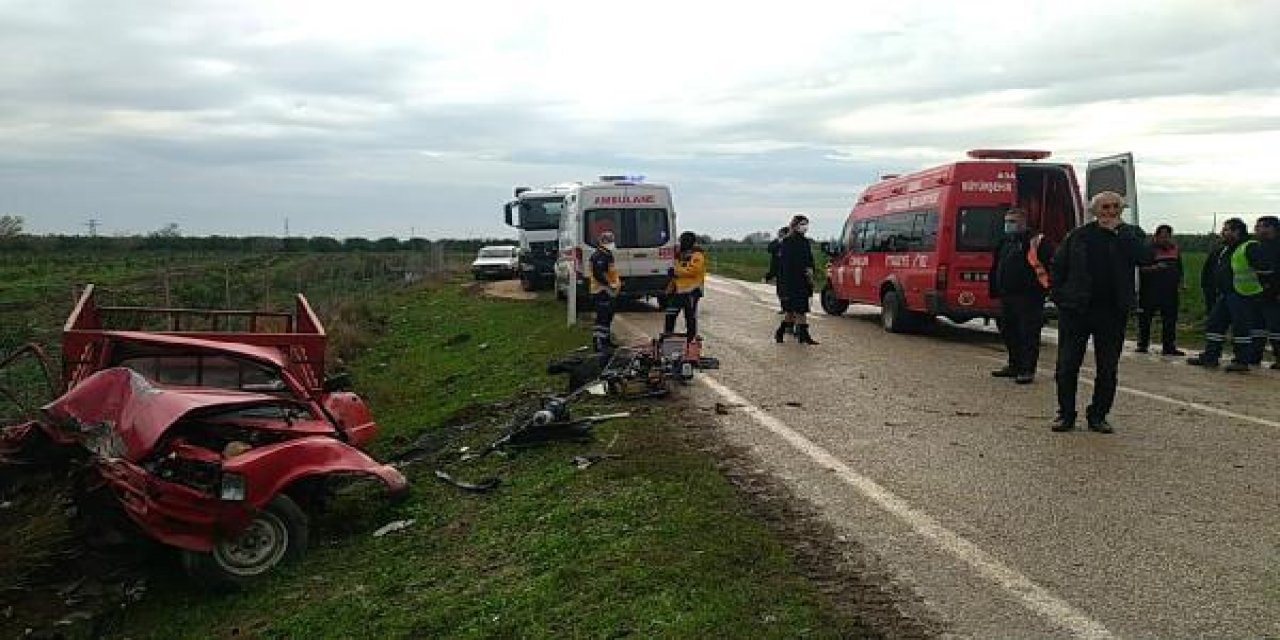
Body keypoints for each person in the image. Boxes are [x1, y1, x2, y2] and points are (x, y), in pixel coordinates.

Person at [1049, 191, 1153, 433]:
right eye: (1105, 207)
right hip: (1076, 310)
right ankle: (1065, 414)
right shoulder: (1078, 235)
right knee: (1067, 365)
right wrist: (1060, 296)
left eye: (1116, 207)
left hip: (1112, 312)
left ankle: (1098, 415)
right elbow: (1058, 266)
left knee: (1107, 368)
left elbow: (1145, 258)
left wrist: (1121, 233)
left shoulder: (1131, 234)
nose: (1111, 212)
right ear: (1095, 211)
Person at [1188, 218, 1267, 372]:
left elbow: (1265, 269)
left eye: (1226, 230)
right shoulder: (1226, 249)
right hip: (1227, 294)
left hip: (1243, 294)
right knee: (1215, 324)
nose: (1222, 233)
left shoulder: (1249, 247)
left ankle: (1241, 361)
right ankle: (1211, 356)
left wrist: (1264, 287)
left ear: (1236, 231)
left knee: (1241, 328)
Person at [988, 208, 1053, 384]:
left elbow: (1048, 265)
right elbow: (997, 265)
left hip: (1029, 296)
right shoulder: (1005, 241)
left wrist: (1044, 290)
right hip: (1007, 295)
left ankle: (1027, 369)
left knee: (1028, 333)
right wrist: (995, 289)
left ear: (1023, 223)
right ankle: (1013, 365)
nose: (1008, 225)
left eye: (1012, 222)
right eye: (1006, 221)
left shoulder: (1036, 241)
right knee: (1009, 331)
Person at [1135, 224, 1186, 355]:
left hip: (1170, 291)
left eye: (1168, 236)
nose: (1165, 239)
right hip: (1150, 291)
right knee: (1145, 319)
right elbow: (1140, 269)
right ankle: (1142, 345)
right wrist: (1155, 268)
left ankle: (1169, 347)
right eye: (1162, 236)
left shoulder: (1175, 249)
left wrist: (1181, 283)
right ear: (1156, 236)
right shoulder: (1147, 249)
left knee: (1170, 320)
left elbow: (1180, 268)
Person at [775, 214, 819, 345]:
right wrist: (784, 287)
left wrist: (811, 271)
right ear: (795, 225)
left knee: (801, 310)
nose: (805, 227)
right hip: (790, 281)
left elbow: (809, 259)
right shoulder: (787, 242)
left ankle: (803, 336)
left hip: (803, 280)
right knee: (791, 313)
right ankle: (781, 332)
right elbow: (784, 265)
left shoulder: (805, 242)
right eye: (802, 224)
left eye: (806, 224)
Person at [664, 231, 707, 339]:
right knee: (670, 314)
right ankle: (667, 337)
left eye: (684, 240)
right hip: (678, 291)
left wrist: (676, 271)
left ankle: (691, 340)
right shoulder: (680, 255)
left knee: (690, 317)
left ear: (691, 242)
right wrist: (669, 288)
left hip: (692, 292)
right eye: (681, 240)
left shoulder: (697, 255)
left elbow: (694, 270)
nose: (682, 242)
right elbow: (675, 273)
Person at [588, 230, 621, 353]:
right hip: (601, 291)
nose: (612, 243)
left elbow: (611, 272)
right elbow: (598, 274)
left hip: (608, 291)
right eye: (609, 240)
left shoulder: (607, 254)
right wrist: (610, 284)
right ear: (602, 241)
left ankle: (606, 341)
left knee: (607, 318)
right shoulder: (599, 256)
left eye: (612, 240)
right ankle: (599, 344)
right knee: (602, 319)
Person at [1254, 216, 1279, 368]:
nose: (1257, 229)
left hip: (1275, 294)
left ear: (1271, 228)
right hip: (1259, 293)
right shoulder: (1259, 246)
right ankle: (1254, 355)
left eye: (1260, 226)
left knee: (1276, 328)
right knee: (1257, 327)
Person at [764, 226, 789, 313]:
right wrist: (778, 242)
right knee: (780, 290)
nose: (779, 234)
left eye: (781, 233)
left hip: (789, 270)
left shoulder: (790, 242)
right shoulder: (776, 241)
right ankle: (784, 308)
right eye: (779, 233)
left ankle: (790, 308)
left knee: (788, 289)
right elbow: (769, 249)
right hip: (778, 269)